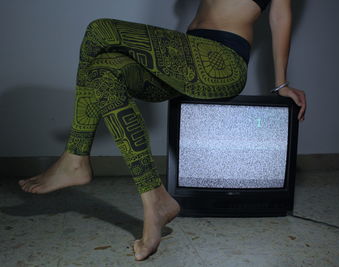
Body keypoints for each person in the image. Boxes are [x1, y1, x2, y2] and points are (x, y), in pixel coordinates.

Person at [18, 0, 306, 261]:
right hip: (186, 58)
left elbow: (280, 14)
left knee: (101, 30)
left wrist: (281, 84)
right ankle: (154, 197)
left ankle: (75, 157)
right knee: (103, 70)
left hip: (221, 62)